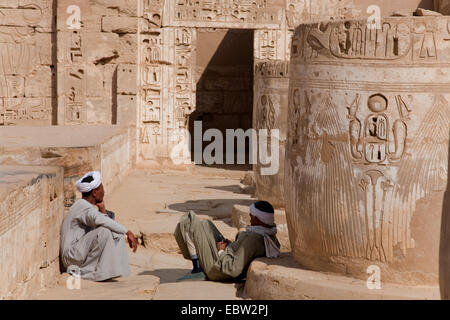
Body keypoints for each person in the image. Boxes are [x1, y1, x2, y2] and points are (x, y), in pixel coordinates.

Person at [174, 200, 280, 282]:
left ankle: (197, 269)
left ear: (257, 218)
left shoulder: (253, 240)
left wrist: (221, 251)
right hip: (226, 256)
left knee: (188, 222)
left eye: (251, 217)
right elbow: (242, 254)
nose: (250, 219)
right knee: (207, 224)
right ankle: (199, 263)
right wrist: (233, 245)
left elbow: (232, 269)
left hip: (217, 269)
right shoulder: (268, 233)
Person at [60, 171, 138, 282]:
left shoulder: (86, 206)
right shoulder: (83, 207)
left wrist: (102, 209)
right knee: (104, 232)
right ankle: (88, 272)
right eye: (102, 188)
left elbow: (105, 220)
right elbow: (99, 220)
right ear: (95, 193)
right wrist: (127, 232)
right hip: (70, 257)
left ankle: (121, 272)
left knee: (116, 235)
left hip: (78, 253)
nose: (104, 191)